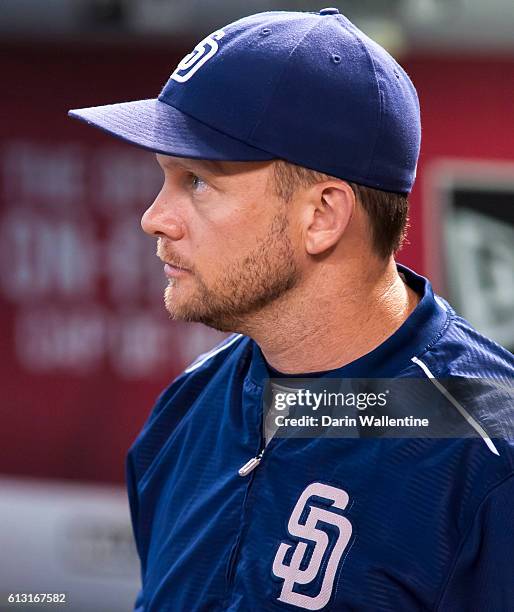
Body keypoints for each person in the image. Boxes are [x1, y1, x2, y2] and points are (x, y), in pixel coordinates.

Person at [69, 8, 514, 612]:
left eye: (197, 180)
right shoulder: (186, 412)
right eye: (164, 178)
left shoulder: (488, 451)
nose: (155, 217)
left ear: (322, 216)